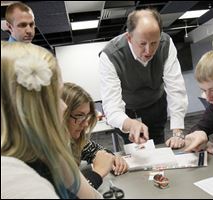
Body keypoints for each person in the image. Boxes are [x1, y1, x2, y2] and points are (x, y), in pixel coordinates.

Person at [1, 41, 102, 198]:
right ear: (30, 108)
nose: (63, 107)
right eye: (55, 97)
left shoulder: (48, 152)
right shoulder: (18, 183)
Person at [99, 8, 188, 146]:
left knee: (158, 144)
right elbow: (112, 107)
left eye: (154, 43)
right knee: (135, 149)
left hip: (155, 105)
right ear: (129, 37)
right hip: (126, 111)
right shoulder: (110, 55)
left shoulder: (166, 43)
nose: (149, 50)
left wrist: (178, 132)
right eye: (142, 44)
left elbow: (176, 88)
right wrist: (130, 124)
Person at [62, 82, 128, 189]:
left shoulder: (73, 140)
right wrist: (97, 173)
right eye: (79, 116)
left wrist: (112, 158)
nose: (86, 124)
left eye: (86, 116)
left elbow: (96, 150)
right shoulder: (42, 155)